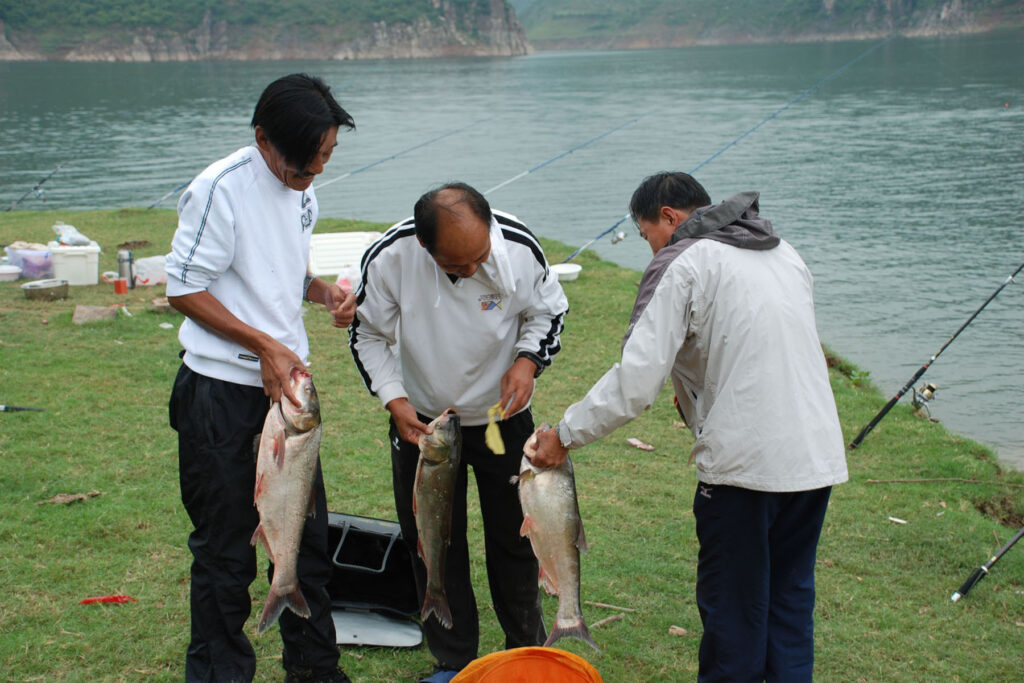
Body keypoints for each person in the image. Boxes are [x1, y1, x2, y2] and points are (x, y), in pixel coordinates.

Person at [530, 172, 849, 682]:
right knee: (788, 606)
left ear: (670, 219)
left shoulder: (683, 261)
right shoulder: (782, 251)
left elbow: (636, 381)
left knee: (734, 615)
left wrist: (565, 434)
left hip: (745, 470)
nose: (649, 248)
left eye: (645, 235)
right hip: (814, 460)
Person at [166, 73, 357, 683]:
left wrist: (322, 291)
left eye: (326, 158)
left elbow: (279, 275)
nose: (316, 174)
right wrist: (262, 347)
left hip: (289, 395)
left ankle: (314, 672)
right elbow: (184, 287)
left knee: (306, 542)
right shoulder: (219, 189)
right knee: (225, 552)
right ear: (262, 140)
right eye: (305, 165)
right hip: (220, 394)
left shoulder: (302, 193)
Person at [349, 182, 569, 682]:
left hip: (499, 421)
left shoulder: (518, 246)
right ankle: (454, 659)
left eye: (478, 258)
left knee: (515, 536)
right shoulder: (391, 257)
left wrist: (528, 361)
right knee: (432, 540)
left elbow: (548, 312)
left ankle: (524, 651)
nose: (471, 270)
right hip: (425, 424)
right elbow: (367, 333)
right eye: (457, 266)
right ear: (426, 248)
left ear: (489, 228)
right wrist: (395, 399)